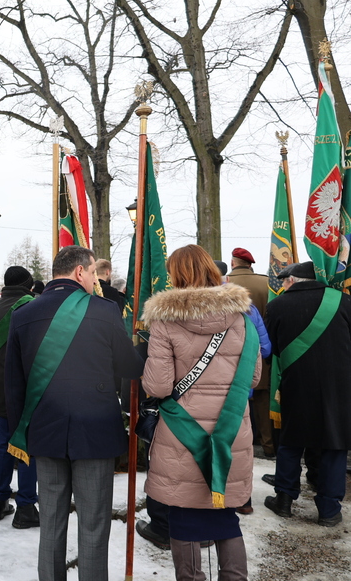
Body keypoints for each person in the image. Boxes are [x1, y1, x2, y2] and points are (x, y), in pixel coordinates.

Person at [6, 245, 143, 581]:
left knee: (51, 521)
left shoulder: (23, 314)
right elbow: (129, 367)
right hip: (95, 431)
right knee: (94, 524)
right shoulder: (106, 310)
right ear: (80, 272)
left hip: (45, 430)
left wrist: (24, 431)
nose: (95, 279)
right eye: (94, 272)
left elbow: (13, 383)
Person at [142, 244, 261, 581]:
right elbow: (253, 376)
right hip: (231, 431)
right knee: (225, 518)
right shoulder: (242, 319)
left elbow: (159, 386)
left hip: (183, 434)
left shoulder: (164, 322)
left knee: (183, 514)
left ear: (176, 275)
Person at [264, 261, 351, 527]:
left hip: (297, 382)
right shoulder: (345, 303)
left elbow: (273, 350)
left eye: (286, 280)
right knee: (334, 444)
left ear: (294, 280)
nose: (283, 284)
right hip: (340, 384)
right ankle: (328, 509)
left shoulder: (276, 306)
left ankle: (285, 500)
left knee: (291, 441)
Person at [0, 265, 39, 529]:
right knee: (27, 446)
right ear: (29, 285)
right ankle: (26, 506)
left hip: (2, 392)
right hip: (28, 391)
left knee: (3, 445)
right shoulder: (32, 307)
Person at [227, 247, 275, 458]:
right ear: (250, 264)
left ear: (232, 263)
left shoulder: (222, 283)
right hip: (259, 351)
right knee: (263, 402)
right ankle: (268, 446)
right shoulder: (266, 284)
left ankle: (235, 444)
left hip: (227, 355)